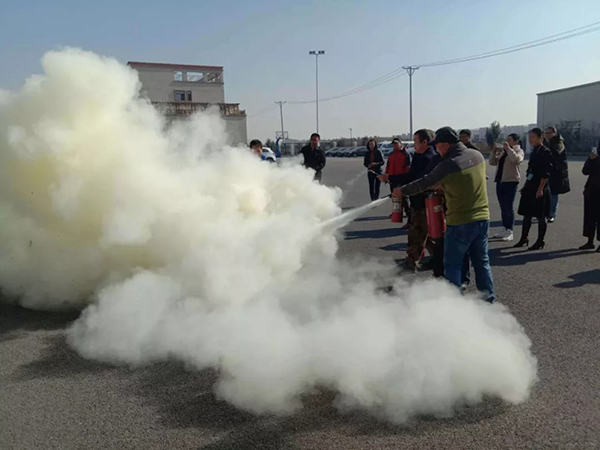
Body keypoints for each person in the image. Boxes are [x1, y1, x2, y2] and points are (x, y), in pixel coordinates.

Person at [393, 126, 496, 303]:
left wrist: (401, 191)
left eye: (438, 146)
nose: (436, 150)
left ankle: (454, 303)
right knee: (482, 261)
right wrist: (446, 185)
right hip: (482, 218)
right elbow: (467, 180)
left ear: (446, 145)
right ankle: (488, 299)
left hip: (460, 221)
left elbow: (423, 183)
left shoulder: (449, 164)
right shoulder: (477, 155)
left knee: (452, 264)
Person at [403, 129, 437, 271]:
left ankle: (412, 262)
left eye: (416, 142)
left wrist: (402, 189)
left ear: (425, 142)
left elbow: (420, 182)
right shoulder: (418, 156)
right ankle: (438, 259)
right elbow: (411, 176)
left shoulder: (430, 158)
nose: (414, 145)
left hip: (425, 204)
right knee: (423, 234)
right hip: (416, 202)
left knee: (418, 234)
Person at [514, 128, 552, 250]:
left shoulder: (545, 152)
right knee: (527, 214)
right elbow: (530, 171)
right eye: (529, 137)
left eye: (533, 137)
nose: (530, 140)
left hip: (540, 187)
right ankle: (524, 238)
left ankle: (540, 240)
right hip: (530, 186)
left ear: (540, 138)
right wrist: (526, 185)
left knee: (541, 216)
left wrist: (540, 189)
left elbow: (545, 173)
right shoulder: (535, 151)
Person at [489, 133, 525, 241]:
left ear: (516, 141)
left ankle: (510, 230)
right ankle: (504, 228)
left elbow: (516, 159)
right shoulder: (503, 152)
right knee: (503, 206)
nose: (507, 142)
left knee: (508, 207)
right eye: (507, 140)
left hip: (511, 181)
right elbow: (492, 162)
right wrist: (494, 151)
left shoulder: (519, 151)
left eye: (510, 140)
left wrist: (508, 149)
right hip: (500, 181)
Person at [377, 138, 412, 227]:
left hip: (402, 179)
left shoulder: (405, 154)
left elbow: (408, 167)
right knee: (395, 198)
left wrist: (405, 178)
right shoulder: (391, 154)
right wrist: (386, 176)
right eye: (393, 144)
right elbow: (388, 166)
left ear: (400, 144)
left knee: (404, 198)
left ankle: (409, 217)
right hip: (392, 179)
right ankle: (397, 213)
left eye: (396, 144)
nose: (395, 145)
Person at [545, 126, 570, 223]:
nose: (547, 135)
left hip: (557, 171)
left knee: (553, 193)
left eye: (549, 133)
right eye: (546, 133)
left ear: (554, 133)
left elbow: (556, 154)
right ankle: (546, 212)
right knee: (546, 192)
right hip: (548, 170)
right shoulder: (546, 142)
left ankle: (552, 213)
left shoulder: (559, 142)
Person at [580, 144, 600, 251]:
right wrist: (591, 160)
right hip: (591, 189)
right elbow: (585, 171)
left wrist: (597, 160)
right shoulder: (594, 155)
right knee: (589, 217)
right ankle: (590, 241)